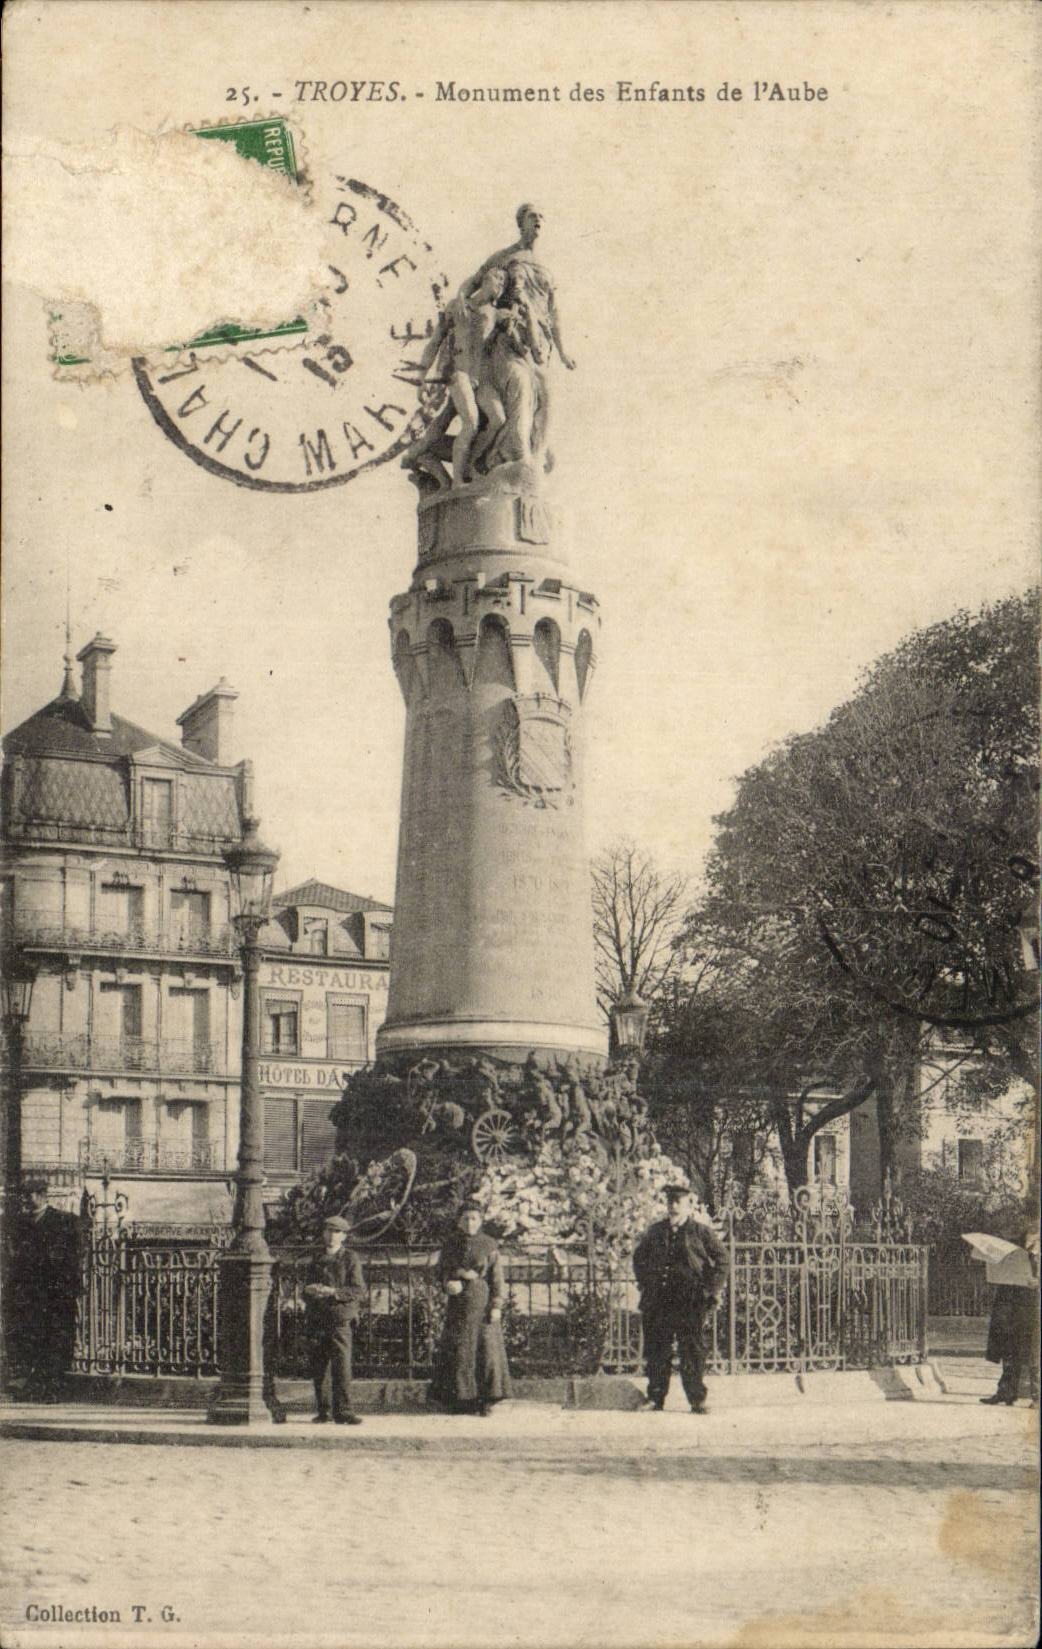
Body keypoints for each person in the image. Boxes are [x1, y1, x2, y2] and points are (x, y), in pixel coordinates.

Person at [633, 1184, 728, 1414]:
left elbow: (723, 1261)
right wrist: (647, 1283)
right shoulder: (655, 1232)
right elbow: (639, 1259)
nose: (674, 1206)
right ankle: (655, 1398)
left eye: (679, 1201)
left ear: (689, 1205)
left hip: (690, 1302)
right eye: (670, 1201)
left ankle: (697, 1399)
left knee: (692, 1351)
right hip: (659, 1301)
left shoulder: (701, 1232)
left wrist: (707, 1290)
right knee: (657, 1350)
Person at [429, 1203, 512, 1415]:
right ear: (459, 1221)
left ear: (481, 1220)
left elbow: (497, 1279)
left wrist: (497, 1306)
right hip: (458, 1305)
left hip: (481, 1302)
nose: (470, 1223)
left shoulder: (489, 1245)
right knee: (460, 1350)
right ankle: (460, 1400)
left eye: (474, 1218)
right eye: (465, 1218)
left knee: (485, 1350)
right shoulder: (450, 1245)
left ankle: (485, 1401)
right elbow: (440, 1272)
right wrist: (449, 1282)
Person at [303, 1215, 366, 1425]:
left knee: (342, 1366)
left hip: (339, 1319)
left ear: (344, 1236)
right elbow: (305, 1287)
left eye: (337, 1232)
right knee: (319, 1367)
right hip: (317, 1317)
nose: (332, 1236)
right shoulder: (315, 1258)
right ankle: (324, 1411)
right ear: (323, 1233)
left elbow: (358, 1290)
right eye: (328, 1231)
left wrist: (334, 1292)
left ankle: (344, 1411)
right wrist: (309, 1289)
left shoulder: (350, 1258)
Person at [981, 1221, 1040, 1407]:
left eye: (1035, 1239)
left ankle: (1037, 1396)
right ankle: (1006, 1392)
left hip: (1035, 1308)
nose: (1031, 1244)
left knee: (1033, 1354)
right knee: (1010, 1350)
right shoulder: (1017, 1255)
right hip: (1013, 1308)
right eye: (1029, 1240)